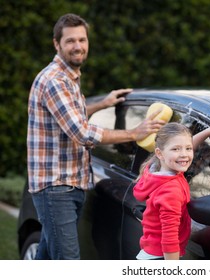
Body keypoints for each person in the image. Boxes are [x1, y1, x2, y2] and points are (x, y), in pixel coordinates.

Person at [27, 13, 165, 260]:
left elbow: (66, 116)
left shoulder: (67, 78)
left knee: (47, 258)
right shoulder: (56, 81)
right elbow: (81, 132)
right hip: (57, 187)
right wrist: (134, 133)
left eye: (82, 39)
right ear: (56, 44)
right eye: (70, 41)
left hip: (68, 184)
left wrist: (103, 104)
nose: (78, 46)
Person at [133, 120, 210, 260]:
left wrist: (209, 131)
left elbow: (183, 145)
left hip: (150, 252)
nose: (184, 155)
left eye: (188, 148)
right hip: (162, 257)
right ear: (160, 153)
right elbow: (169, 239)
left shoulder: (156, 169)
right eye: (176, 149)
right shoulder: (171, 190)